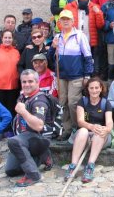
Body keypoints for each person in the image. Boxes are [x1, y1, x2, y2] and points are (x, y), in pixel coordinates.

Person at [48, 9, 94, 141]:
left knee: (73, 102)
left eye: (68, 19)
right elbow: (50, 59)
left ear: (73, 21)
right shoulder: (57, 37)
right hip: (61, 76)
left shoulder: (79, 36)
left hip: (76, 75)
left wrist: (87, 75)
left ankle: (78, 127)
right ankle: (67, 129)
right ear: (59, 22)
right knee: (63, 103)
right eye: (63, 19)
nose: (65, 21)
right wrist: (52, 47)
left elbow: (88, 56)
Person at [5, 69, 52, 187]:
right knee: (11, 171)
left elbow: (39, 125)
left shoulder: (40, 100)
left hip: (39, 138)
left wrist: (23, 112)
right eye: (24, 82)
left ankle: (33, 175)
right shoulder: (22, 97)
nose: (27, 84)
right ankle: (42, 156)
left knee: (13, 141)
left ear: (37, 82)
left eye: (30, 81)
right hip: (26, 138)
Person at [64, 77, 113, 183]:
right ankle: (73, 165)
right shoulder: (83, 101)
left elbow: (109, 122)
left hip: (100, 137)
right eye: (91, 88)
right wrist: (92, 127)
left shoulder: (106, 103)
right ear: (88, 89)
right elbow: (80, 121)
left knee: (99, 132)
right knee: (83, 130)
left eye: (96, 88)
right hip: (83, 136)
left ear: (101, 89)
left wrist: (106, 129)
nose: (94, 90)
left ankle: (90, 166)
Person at [64, 0, 105, 77]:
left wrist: (98, 13)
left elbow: (100, 25)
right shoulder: (69, 7)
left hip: (90, 42)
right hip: (74, 42)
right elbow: (60, 23)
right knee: (76, 66)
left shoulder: (95, 6)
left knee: (90, 68)